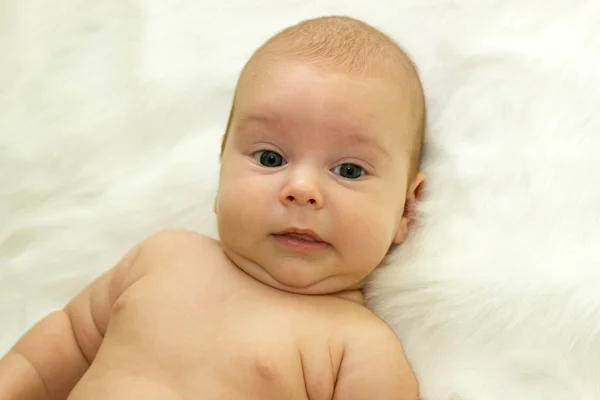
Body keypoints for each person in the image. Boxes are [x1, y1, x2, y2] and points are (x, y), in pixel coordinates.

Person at [0, 15, 426, 400]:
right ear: (221, 171)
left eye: (349, 170)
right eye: (270, 159)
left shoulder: (356, 349)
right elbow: (64, 344)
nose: (301, 189)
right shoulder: (162, 256)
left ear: (405, 212)